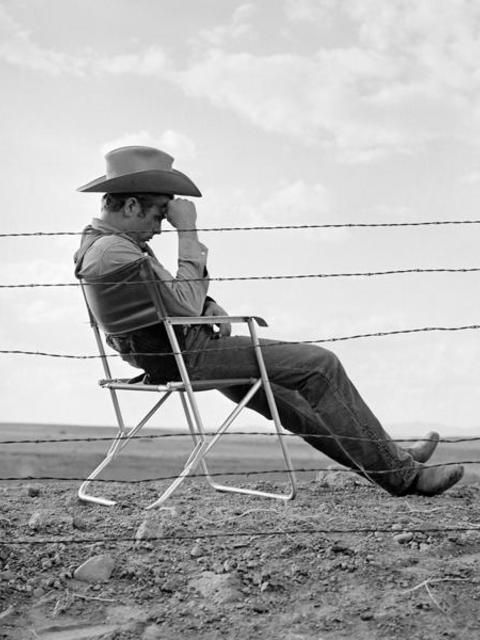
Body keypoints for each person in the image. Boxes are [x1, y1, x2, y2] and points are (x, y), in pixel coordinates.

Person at [74, 145, 464, 497]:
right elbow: (181, 306)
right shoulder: (115, 252)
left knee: (289, 400)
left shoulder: (107, 247)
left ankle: (390, 459)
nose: (161, 227)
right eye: (159, 214)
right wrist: (189, 232)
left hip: (170, 353)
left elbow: (166, 301)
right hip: (186, 356)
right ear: (129, 207)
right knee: (319, 365)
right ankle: (402, 474)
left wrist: (207, 304)